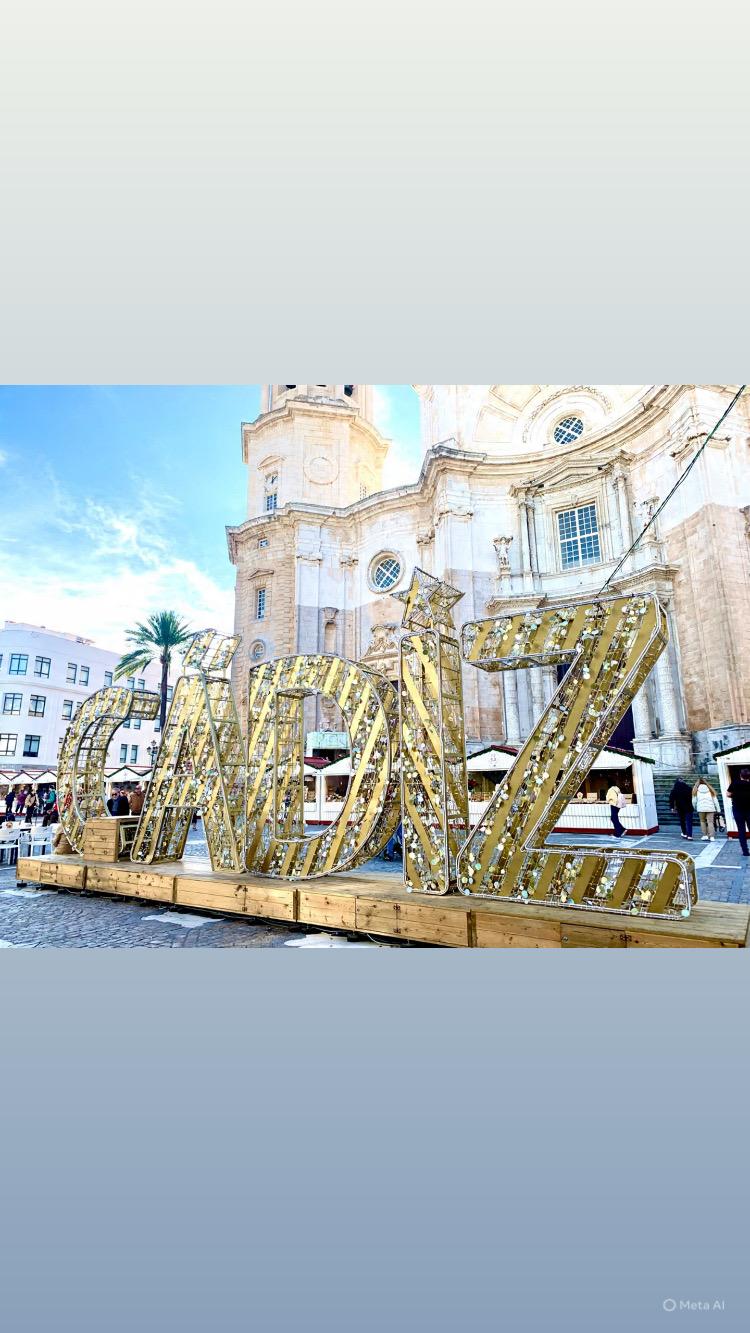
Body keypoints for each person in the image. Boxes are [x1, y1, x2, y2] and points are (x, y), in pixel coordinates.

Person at [727, 767, 750, 857]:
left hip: (738, 810)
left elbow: (728, 794)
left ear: (740, 775)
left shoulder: (735, 783)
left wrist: (735, 795)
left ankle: (745, 851)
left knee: (741, 830)